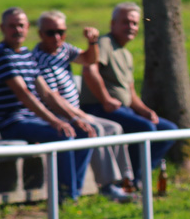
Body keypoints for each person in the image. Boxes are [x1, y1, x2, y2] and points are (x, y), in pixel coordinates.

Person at [0, 7, 93, 202]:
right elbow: (24, 94)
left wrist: (73, 118)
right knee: (62, 135)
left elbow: (45, 93)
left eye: (21, 25)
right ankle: (66, 194)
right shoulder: (2, 56)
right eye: (12, 26)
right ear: (2, 28)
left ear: (27, 28)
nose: (17, 30)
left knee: (85, 132)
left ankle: (73, 190)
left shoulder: (26, 55)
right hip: (12, 122)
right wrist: (55, 122)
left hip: (32, 119)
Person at [34, 10, 135, 203]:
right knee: (93, 129)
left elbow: (89, 60)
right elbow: (52, 98)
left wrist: (92, 43)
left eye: (61, 32)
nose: (57, 37)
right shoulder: (38, 58)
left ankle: (125, 179)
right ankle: (106, 186)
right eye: (50, 32)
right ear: (40, 34)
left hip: (75, 112)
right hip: (60, 115)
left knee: (114, 128)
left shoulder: (64, 49)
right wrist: (78, 116)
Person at [80, 2, 176, 180]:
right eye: (125, 22)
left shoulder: (126, 53)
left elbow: (129, 91)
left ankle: (141, 176)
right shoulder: (104, 43)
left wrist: (144, 110)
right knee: (144, 128)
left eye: (134, 23)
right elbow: (89, 70)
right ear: (113, 24)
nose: (130, 27)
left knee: (168, 130)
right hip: (98, 108)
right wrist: (106, 99)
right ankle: (132, 180)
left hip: (123, 109)